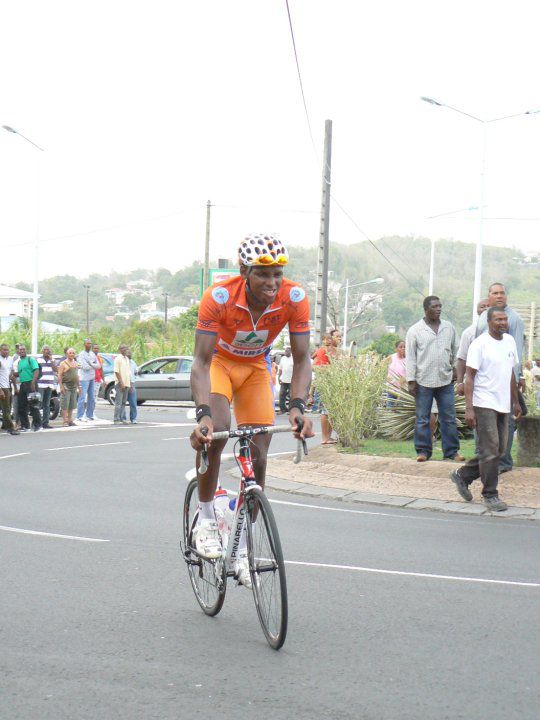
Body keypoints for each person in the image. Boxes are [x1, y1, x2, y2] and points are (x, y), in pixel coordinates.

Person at [189, 233, 313, 584]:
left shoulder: (294, 297)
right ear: (245, 271)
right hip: (219, 366)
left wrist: (298, 407)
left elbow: (303, 360)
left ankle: (242, 543)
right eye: (262, 274)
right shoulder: (220, 297)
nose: (272, 282)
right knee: (219, 433)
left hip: (257, 370)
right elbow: (199, 362)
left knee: (259, 455)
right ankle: (207, 516)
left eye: (277, 273)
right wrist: (203, 415)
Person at [450, 308, 521, 511]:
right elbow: (469, 377)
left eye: (504, 319)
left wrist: (516, 402)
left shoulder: (509, 342)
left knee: (498, 450)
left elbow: (510, 375)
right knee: (491, 450)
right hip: (484, 403)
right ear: (488, 321)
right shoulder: (479, 344)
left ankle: (463, 475)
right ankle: (490, 494)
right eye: (498, 319)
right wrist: (469, 408)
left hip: (503, 404)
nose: (502, 322)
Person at [405, 296, 463, 462]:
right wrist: (411, 380)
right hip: (423, 381)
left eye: (440, 306)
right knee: (423, 418)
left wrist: (454, 369)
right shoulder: (415, 330)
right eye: (434, 306)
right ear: (426, 309)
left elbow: (456, 350)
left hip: (445, 380)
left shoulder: (448, 328)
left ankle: (452, 452)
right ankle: (423, 451)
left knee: (449, 418)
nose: (438, 309)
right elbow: (411, 357)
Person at [475, 283, 524, 473]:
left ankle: (502, 462)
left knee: (506, 423)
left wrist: (517, 378)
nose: (499, 296)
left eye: (502, 293)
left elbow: (516, 352)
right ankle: (484, 462)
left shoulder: (515, 320)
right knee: (484, 425)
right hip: (483, 381)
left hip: (506, 381)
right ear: (488, 296)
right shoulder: (483, 318)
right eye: (495, 293)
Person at [455, 299, 489, 396]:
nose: (486, 308)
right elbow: (462, 359)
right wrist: (460, 382)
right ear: (477, 311)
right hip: (475, 384)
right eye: (482, 307)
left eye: (488, 306)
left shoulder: (502, 333)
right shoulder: (468, 333)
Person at [312, 332, 338, 444]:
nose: (339, 338)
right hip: (325, 383)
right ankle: (325, 438)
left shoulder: (334, 351)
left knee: (330, 411)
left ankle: (328, 437)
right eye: (336, 336)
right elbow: (316, 366)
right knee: (325, 410)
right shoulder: (323, 350)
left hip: (332, 382)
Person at [14, 345, 42, 432]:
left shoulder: (31, 359)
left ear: (26, 351)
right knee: (21, 406)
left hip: (31, 383)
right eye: (20, 350)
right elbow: (21, 373)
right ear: (18, 351)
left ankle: (38, 425)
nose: (21, 351)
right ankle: (25, 426)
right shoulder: (19, 362)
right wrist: (13, 374)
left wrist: (33, 382)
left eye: (23, 349)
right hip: (23, 385)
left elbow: (36, 370)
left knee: (34, 405)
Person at [76, 338, 100, 422]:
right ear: (84, 344)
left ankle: (90, 414)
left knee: (92, 397)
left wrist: (90, 364)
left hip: (91, 378)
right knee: (82, 397)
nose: (89, 345)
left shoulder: (92, 354)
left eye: (90, 343)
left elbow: (98, 366)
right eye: (87, 343)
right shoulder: (81, 354)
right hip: (84, 378)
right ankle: (80, 415)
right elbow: (84, 367)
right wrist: (92, 365)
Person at [58, 348, 81, 426]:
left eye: (73, 353)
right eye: (70, 353)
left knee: (72, 404)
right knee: (65, 404)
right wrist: (61, 386)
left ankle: (70, 420)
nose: (71, 354)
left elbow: (77, 376)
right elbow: (60, 375)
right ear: (67, 354)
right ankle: (65, 420)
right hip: (66, 386)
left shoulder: (76, 363)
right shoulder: (63, 363)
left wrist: (79, 386)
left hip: (74, 386)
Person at [0, 343, 19, 435]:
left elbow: (11, 373)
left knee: (8, 407)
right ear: (0, 350)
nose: (6, 351)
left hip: (8, 385)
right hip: (2, 387)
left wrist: (15, 387)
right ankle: (11, 428)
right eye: (4, 350)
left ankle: (4, 425)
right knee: (6, 408)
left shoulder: (10, 359)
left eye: (7, 350)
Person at [37, 345, 57, 429]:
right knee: (38, 403)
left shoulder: (52, 360)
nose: (46, 351)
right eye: (45, 350)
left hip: (49, 384)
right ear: (42, 351)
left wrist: (51, 359)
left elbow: (55, 369)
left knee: (47, 404)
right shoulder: (38, 360)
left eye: (48, 350)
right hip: (40, 384)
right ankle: (37, 422)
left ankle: (45, 422)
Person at [113, 344, 131, 424]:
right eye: (123, 348)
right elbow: (117, 372)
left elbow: (128, 373)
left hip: (126, 383)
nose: (125, 349)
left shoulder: (127, 359)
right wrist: (121, 383)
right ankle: (116, 419)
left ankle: (122, 418)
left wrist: (129, 384)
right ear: (120, 349)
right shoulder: (118, 359)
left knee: (124, 402)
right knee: (118, 402)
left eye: (125, 348)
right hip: (120, 384)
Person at [386, 339, 406, 405]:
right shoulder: (392, 357)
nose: (403, 348)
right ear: (396, 349)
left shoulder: (407, 360)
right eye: (401, 347)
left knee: (400, 411)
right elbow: (382, 366)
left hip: (402, 391)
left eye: (404, 347)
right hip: (391, 389)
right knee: (390, 411)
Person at [122, 348, 139, 424]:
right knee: (123, 402)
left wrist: (132, 384)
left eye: (130, 353)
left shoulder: (133, 363)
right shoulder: (123, 362)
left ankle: (133, 418)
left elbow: (135, 373)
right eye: (128, 354)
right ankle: (123, 418)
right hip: (124, 384)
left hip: (132, 384)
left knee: (133, 403)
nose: (129, 355)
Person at [277, 346, 293, 413]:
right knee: (281, 394)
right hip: (283, 379)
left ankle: (290, 410)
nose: (285, 352)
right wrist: (279, 377)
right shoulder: (283, 358)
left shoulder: (293, 358)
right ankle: (282, 409)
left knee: (291, 395)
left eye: (287, 351)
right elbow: (280, 369)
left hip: (292, 380)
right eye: (285, 351)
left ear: (291, 352)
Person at [92, 343, 105, 418]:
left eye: (97, 348)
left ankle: (92, 413)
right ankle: (85, 413)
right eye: (95, 348)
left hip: (97, 380)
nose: (96, 350)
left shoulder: (100, 358)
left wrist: (103, 380)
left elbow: (101, 369)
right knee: (88, 398)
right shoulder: (89, 357)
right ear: (92, 349)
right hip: (90, 380)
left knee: (95, 398)